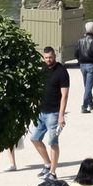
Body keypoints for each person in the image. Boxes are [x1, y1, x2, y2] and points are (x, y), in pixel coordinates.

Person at [29, 46, 69, 176]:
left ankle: (52, 172)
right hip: (41, 112)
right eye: (46, 58)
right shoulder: (43, 68)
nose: (48, 60)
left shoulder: (62, 71)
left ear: (55, 56)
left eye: (50, 57)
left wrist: (61, 115)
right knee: (35, 138)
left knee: (53, 142)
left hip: (54, 112)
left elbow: (65, 95)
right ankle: (47, 164)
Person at [75, 21, 93, 113]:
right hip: (92, 65)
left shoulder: (80, 40)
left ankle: (90, 103)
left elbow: (76, 53)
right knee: (88, 87)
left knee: (87, 85)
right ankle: (84, 106)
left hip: (82, 65)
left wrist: (79, 61)